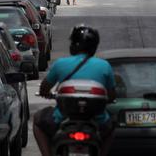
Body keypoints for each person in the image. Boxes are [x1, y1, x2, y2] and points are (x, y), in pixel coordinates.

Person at [33, 26, 116, 155]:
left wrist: (47, 94)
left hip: (61, 119)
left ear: (73, 45)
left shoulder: (60, 63)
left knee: (38, 120)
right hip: (97, 120)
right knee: (112, 128)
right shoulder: (104, 65)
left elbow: (44, 88)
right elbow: (111, 95)